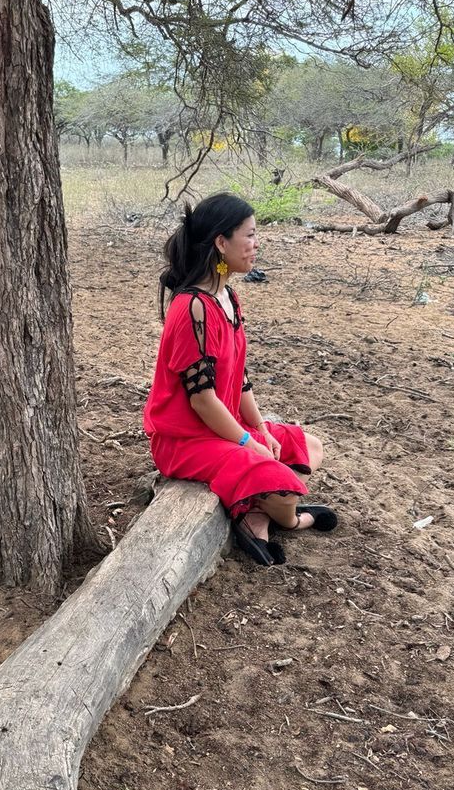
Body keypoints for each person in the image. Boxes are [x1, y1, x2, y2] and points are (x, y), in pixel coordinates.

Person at [143, 193, 337, 566]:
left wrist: (260, 428)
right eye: (248, 235)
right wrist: (249, 441)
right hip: (185, 440)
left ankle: (257, 512)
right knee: (282, 487)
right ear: (221, 242)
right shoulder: (193, 308)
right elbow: (201, 399)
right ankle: (293, 520)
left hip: (223, 426)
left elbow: (240, 378)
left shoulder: (226, 296)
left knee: (307, 445)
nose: (255, 243)